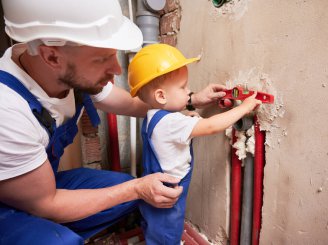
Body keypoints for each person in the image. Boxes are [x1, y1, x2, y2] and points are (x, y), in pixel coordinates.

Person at [0, 0, 228, 244]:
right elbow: (46, 203)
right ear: (52, 56)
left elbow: (132, 104)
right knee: (63, 239)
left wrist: (191, 99)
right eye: (102, 58)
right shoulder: (8, 109)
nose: (117, 70)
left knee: (126, 191)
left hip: (39, 186)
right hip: (11, 206)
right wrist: (139, 188)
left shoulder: (63, 73)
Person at [127, 43, 262, 244]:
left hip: (154, 186)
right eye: (183, 87)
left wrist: (189, 113)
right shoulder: (173, 123)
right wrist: (245, 108)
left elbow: (173, 129)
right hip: (169, 192)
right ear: (161, 96)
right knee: (167, 232)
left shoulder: (152, 116)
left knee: (153, 227)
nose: (189, 91)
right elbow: (210, 127)